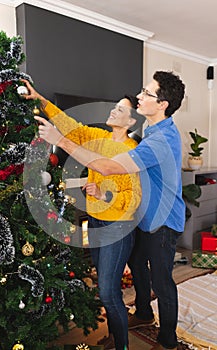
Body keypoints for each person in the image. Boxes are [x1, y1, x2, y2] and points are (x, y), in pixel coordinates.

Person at [27, 70, 186, 350]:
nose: (140, 96)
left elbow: (110, 168)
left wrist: (60, 141)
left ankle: (168, 341)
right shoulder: (152, 129)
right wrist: (39, 98)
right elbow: (74, 127)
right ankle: (145, 314)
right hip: (140, 217)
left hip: (161, 220)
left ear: (162, 104)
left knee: (161, 282)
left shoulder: (158, 140)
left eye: (147, 93)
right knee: (137, 266)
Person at [22, 79, 142, 350]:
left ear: (131, 122)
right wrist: (39, 97)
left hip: (117, 226)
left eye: (121, 110)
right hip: (98, 223)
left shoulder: (133, 152)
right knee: (106, 290)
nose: (113, 111)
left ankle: (122, 345)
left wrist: (104, 195)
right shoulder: (98, 139)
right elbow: (69, 126)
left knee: (109, 294)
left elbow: (132, 199)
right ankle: (114, 338)